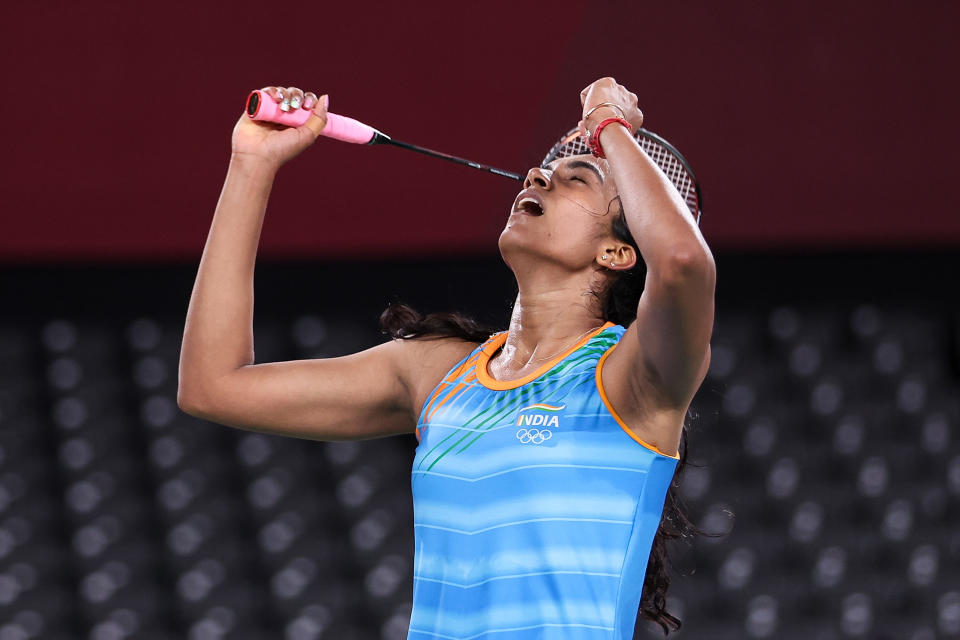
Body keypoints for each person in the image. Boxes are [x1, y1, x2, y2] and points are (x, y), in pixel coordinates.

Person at [178, 77, 716, 638]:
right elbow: (212, 386)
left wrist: (608, 125)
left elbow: (682, 263)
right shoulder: (442, 372)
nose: (537, 175)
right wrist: (251, 166)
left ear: (617, 251)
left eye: (576, 177)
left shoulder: (634, 378)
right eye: (542, 171)